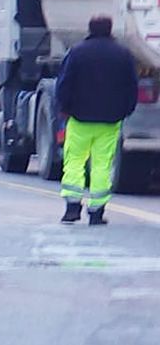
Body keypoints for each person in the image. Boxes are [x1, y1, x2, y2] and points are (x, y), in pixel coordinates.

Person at [56, 16, 138, 225]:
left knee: (74, 160)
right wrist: (125, 110)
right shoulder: (123, 54)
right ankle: (96, 212)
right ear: (110, 30)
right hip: (110, 120)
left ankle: (72, 208)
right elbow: (132, 86)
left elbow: (65, 83)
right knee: (102, 164)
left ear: (90, 29)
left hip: (79, 119)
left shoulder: (77, 52)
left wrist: (64, 107)